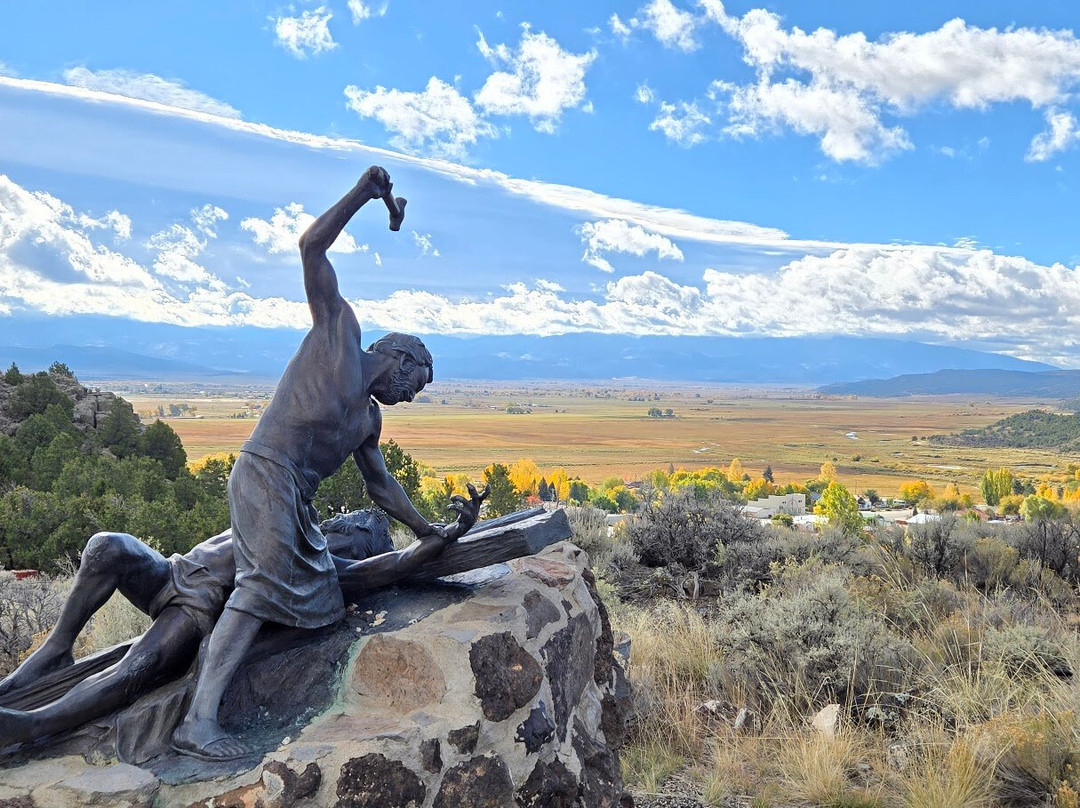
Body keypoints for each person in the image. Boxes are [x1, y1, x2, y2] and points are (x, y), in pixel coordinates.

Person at [170, 166, 469, 761]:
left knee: (324, 600)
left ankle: (246, 693)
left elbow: (381, 488)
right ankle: (196, 720)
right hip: (263, 473)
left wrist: (426, 528)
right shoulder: (338, 331)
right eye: (418, 386)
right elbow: (310, 247)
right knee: (258, 588)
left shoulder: (368, 419)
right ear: (401, 361)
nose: (412, 397)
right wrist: (364, 193)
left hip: (296, 503)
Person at [0, 489, 482, 750]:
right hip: (172, 571)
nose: (344, 536)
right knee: (107, 545)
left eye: (356, 540)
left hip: (194, 612)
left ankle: (32, 724)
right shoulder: (287, 519)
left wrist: (440, 536)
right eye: (349, 527)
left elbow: (388, 568)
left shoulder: (324, 567)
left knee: (132, 671)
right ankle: (57, 647)